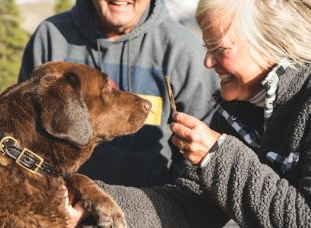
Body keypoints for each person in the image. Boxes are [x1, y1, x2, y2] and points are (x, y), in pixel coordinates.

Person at [66, 0, 311, 227]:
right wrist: (91, 200)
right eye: (207, 47)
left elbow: (303, 218)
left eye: (219, 48)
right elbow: (189, 207)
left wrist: (216, 155)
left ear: (270, 41)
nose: (207, 62)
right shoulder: (235, 111)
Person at [18, 0, 219, 187]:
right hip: (59, 211)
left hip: (150, 213)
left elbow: (199, 161)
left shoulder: (183, 51)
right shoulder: (51, 37)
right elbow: (22, 136)